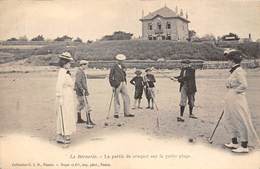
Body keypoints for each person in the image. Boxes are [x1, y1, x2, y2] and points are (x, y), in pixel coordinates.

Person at [223, 49, 260, 153]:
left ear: (232, 61)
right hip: (231, 97)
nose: (227, 62)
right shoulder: (235, 71)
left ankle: (244, 146)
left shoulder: (239, 71)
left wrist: (234, 92)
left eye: (228, 60)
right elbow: (232, 83)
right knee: (229, 119)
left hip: (237, 98)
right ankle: (234, 142)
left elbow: (244, 85)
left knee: (240, 119)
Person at [55, 52, 76, 144]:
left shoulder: (65, 72)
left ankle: (64, 134)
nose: (70, 64)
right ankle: (63, 135)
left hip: (68, 96)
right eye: (69, 63)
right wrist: (59, 97)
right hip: (64, 96)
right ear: (64, 63)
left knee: (68, 114)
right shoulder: (62, 72)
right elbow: (59, 85)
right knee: (64, 115)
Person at [109, 54, 134, 118]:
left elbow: (124, 74)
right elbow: (110, 76)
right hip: (117, 84)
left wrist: (125, 80)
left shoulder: (123, 66)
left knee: (126, 97)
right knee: (116, 98)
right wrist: (113, 85)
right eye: (120, 60)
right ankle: (116, 113)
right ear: (117, 60)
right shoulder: (113, 67)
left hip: (123, 83)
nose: (121, 61)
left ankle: (127, 113)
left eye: (122, 60)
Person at [74, 60, 95, 128]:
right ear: (83, 65)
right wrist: (82, 89)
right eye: (86, 65)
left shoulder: (80, 71)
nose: (87, 66)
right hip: (81, 91)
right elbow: (78, 82)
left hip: (80, 91)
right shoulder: (79, 72)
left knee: (81, 105)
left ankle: (79, 119)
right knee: (87, 105)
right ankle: (89, 120)